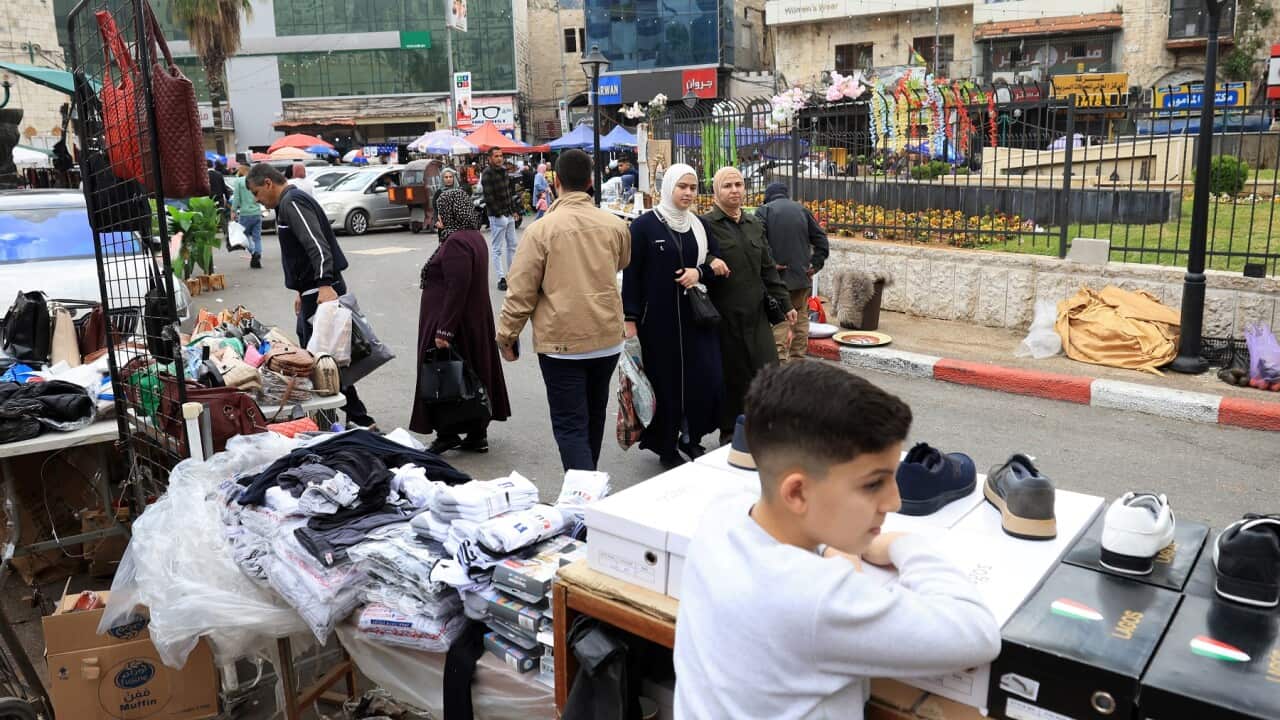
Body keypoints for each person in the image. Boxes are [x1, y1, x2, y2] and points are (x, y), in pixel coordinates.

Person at [674, 362, 1002, 718]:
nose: (894, 501)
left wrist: (833, 547)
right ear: (797, 492)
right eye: (874, 483)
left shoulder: (721, 517)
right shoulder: (817, 597)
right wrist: (903, 544)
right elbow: (977, 632)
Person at [496, 149, 630, 472]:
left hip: (561, 344)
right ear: (590, 182)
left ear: (556, 182)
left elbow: (521, 291)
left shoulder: (541, 231)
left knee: (570, 426)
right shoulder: (615, 225)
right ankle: (589, 486)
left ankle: (584, 500)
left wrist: (506, 336)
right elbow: (623, 262)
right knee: (594, 418)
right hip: (607, 338)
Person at [244, 163, 378, 429]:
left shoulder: (292, 202)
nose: (257, 200)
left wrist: (324, 283)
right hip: (311, 291)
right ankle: (352, 416)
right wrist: (300, 290)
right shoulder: (287, 204)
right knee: (320, 357)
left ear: (269, 183)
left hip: (321, 291)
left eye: (257, 192)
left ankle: (356, 418)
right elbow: (300, 252)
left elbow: (316, 244)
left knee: (322, 358)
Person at [622, 164, 729, 468]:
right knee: (666, 384)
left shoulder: (699, 226)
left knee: (702, 380)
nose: (688, 193)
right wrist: (630, 319)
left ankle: (690, 438)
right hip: (658, 321)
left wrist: (700, 272)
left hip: (696, 319)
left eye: (693, 188)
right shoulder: (644, 227)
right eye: (682, 187)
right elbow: (632, 276)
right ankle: (665, 444)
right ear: (669, 187)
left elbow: (719, 267)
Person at [411, 188, 511, 453]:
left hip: (454, 323)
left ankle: (447, 432)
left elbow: (457, 287)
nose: (437, 217)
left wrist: (444, 330)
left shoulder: (456, 242)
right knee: (472, 375)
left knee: (445, 376)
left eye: (441, 211)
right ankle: (477, 434)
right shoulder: (474, 237)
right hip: (472, 322)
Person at [700, 166, 793, 443]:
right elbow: (692, 259)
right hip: (724, 315)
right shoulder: (705, 225)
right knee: (734, 376)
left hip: (756, 314)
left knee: (768, 371)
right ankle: (730, 432)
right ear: (716, 191)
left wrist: (785, 302)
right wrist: (709, 262)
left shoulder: (754, 224)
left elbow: (768, 269)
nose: (735, 190)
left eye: (739, 184)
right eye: (727, 185)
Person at [756, 182, 830, 363]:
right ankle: (797, 361)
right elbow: (821, 240)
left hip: (777, 280)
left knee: (779, 321)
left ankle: (779, 364)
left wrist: (772, 263)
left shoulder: (763, 211)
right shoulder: (802, 210)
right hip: (802, 277)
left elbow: (758, 241)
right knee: (801, 318)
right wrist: (815, 264)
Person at [481, 147, 519, 291]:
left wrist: (514, 210)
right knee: (497, 249)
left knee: (512, 245)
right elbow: (489, 197)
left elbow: (509, 193)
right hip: (498, 216)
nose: (499, 158)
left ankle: (512, 275)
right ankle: (501, 278)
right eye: (496, 156)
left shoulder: (504, 171)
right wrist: (499, 215)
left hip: (508, 213)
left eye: (501, 155)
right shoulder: (487, 174)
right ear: (490, 158)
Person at [230, 165, 264, 269]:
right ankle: (257, 253)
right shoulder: (256, 181)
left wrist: (233, 210)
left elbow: (236, 198)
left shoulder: (239, 181)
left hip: (245, 213)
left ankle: (254, 252)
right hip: (257, 212)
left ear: (241, 170)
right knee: (257, 237)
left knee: (244, 236)